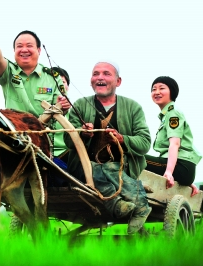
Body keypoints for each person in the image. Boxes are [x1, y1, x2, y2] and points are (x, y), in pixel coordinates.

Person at [64, 61, 152, 234]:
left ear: (118, 81)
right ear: (91, 81)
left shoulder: (133, 107)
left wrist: (122, 139)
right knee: (96, 168)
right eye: (95, 74)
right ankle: (130, 205)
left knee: (110, 167)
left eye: (106, 74)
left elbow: (144, 142)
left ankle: (130, 206)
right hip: (84, 169)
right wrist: (82, 134)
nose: (100, 78)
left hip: (122, 168)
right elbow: (68, 139)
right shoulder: (80, 105)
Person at [0, 30, 70, 117]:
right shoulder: (8, 71)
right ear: (14, 51)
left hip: (43, 130)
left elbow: (61, 110)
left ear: (39, 50)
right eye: (19, 46)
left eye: (29, 46)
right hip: (14, 129)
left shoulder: (53, 77)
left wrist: (63, 105)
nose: (24, 50)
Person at [145, 76, 202, 197]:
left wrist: (169, 172)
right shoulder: (167, 114)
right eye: (154, 89)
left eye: (162, 88)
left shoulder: (173, 112)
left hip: (181, 165)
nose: (157, 92)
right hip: (183, 167)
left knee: (133, 158)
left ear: (172, 91)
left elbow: (175, 144)